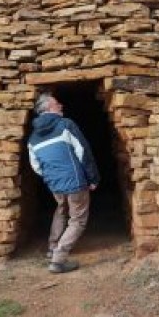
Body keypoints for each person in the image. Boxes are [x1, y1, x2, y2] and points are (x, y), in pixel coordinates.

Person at [28, 92, 100, 273]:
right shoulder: (65, 125)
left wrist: (51, 177)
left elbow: (36, 166)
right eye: (57, 103)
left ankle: (52, 248)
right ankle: (58, 259)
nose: (61, 106)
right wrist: (93, 178)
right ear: (49, 108)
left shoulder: (33, 138)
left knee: (61, 210)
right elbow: (83, 151)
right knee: (78, 220)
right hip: (75, 181)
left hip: (55, 184)